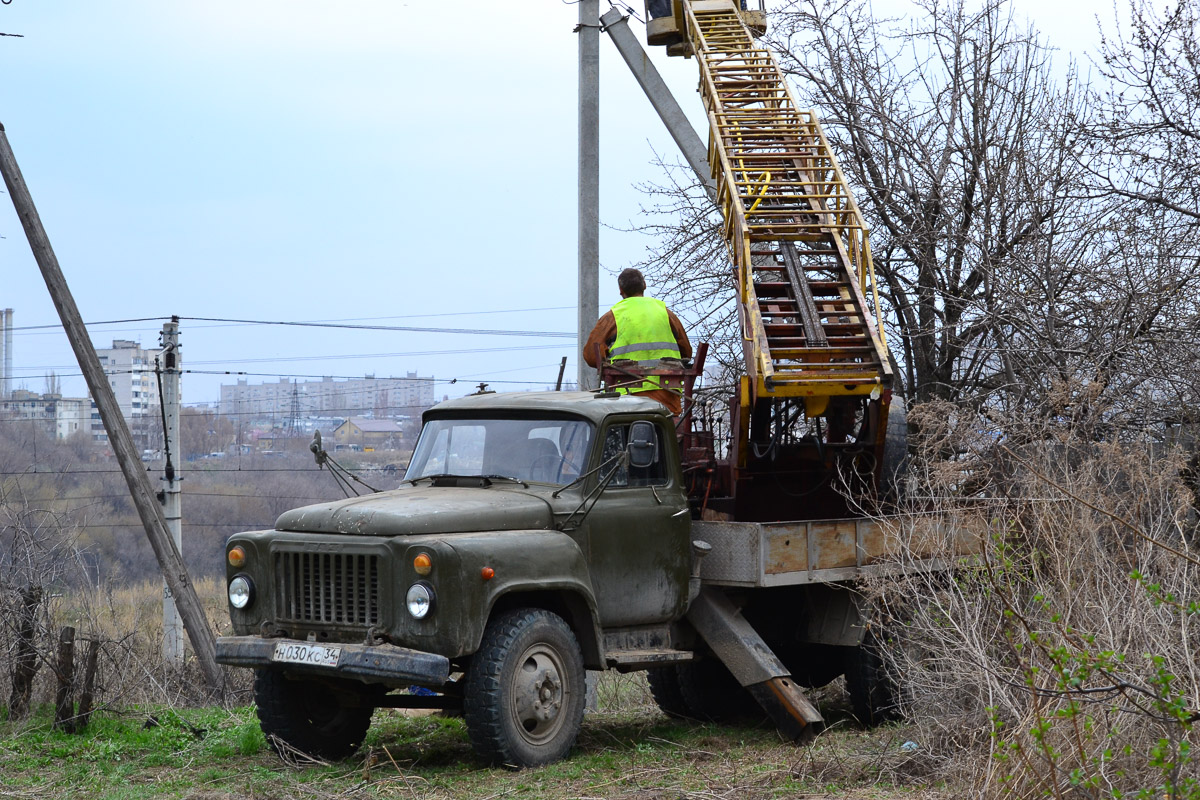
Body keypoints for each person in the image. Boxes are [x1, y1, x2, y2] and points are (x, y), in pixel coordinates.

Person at [584, 268, 692, 415]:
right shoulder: (665, 313)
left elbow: (591, 356)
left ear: (621, 290)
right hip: (667, 397)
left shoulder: (613, 316)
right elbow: (686, 352)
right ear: (644, 285)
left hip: (626, 399)